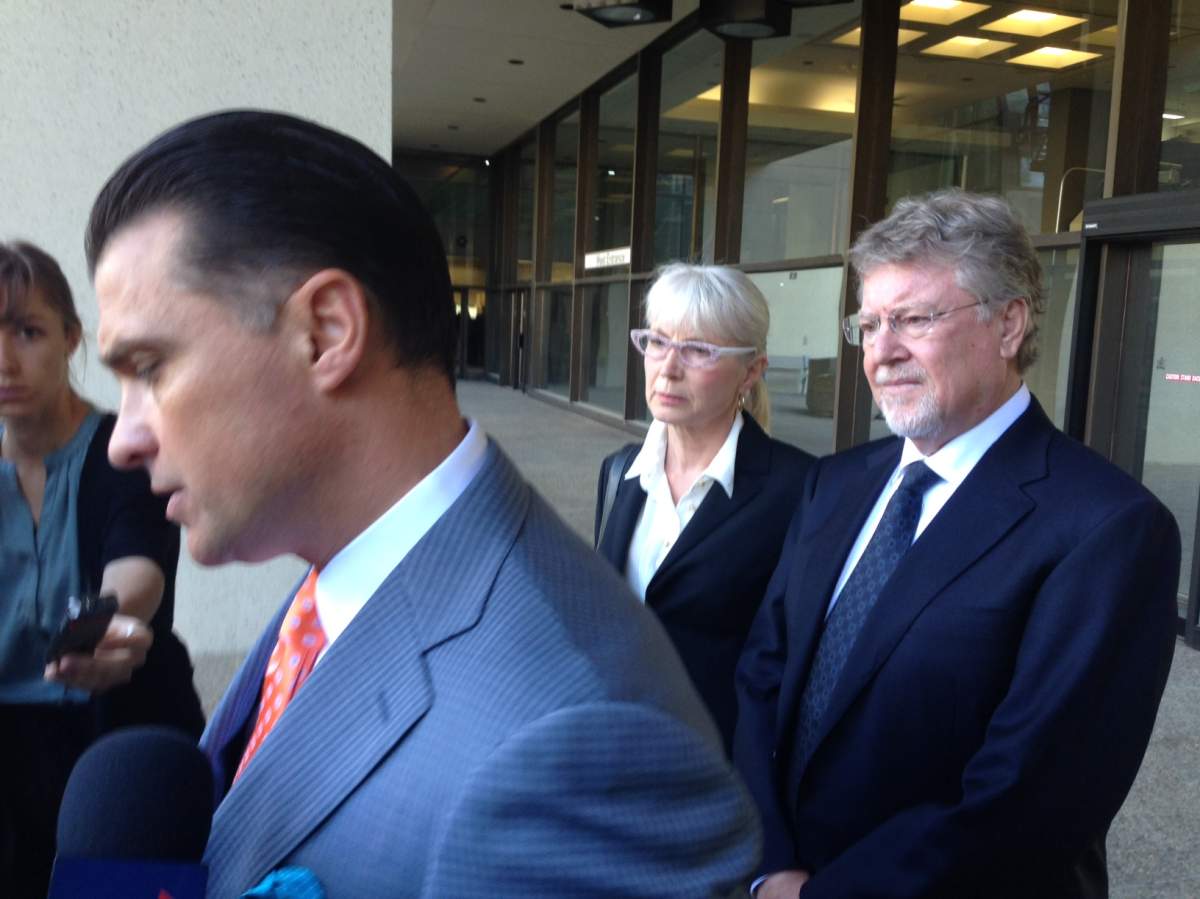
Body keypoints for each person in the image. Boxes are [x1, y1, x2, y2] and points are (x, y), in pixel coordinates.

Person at [86, 110, 760, 898]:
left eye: (150, 367)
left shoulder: (583, 745)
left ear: (327, 332)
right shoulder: (343, 569)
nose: (122, 440)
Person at [734, 189, 1180, 898]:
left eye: (914, 318)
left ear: (1009, 324)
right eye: (869, 323)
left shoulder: (1110, 528)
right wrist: (769, 863)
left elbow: (1030, 800)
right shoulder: (834, 484)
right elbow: (761, 675)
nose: (882, 351)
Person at [0, 240, 203, 898]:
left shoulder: (124, 445)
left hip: (116, 734)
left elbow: (137, 573)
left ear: (72, 336)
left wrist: (99, 627)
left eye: (26, 331)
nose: (5, 360)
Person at [595, 263, 813, 754]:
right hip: (614, 750)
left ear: (752, 370)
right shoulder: (619, 473)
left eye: (697, 350)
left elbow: (789, 666)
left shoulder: (799, 490)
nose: (668, 367)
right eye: (657, 341)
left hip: (717, 771)